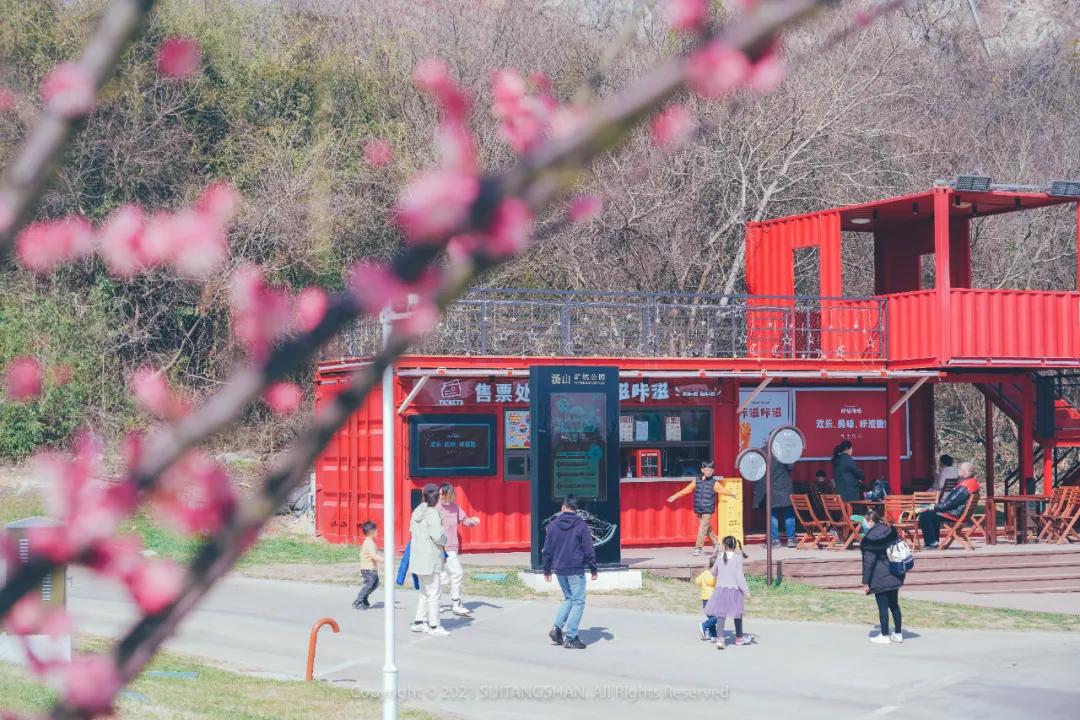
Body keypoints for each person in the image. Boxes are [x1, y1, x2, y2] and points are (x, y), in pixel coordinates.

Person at [542, 495, 598, 650]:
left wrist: (546, 569)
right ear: (576, 509)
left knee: (568, 598)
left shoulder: (552, 526)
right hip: (575, 569)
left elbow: (547, 551)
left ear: (563, 507)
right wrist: (593, 568)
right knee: (578, 601)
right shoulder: (581, 525)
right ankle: (571, 637)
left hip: (560, 569)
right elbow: (588, 549)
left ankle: (557, 628)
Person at [667, 460, 739, 556]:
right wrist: (675, 496)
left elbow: (723, 490)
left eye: (711, 470)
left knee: (702, 528)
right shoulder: (696, 481)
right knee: (707, 528)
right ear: (702, 470)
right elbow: (686, 490)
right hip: (699, 508)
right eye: (707, 470)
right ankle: (717, 545)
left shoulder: (714, 483)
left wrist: (732, 494)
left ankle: (698, 548)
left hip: (708, 509)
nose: (709, 472)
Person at [409, 483, 449, 636]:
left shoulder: (417, 511)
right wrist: (445, 540)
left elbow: (412, 531)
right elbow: (437, 536)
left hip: (418, 558)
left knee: (425, 592)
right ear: (437, 497)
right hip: (430, 558)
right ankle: (434, 626)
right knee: (434, 593)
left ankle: (419, 622)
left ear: (424, 496)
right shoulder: (433, 513)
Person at [859, 511, 904, 644]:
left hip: (880, 576)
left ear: (870, 521)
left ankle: (884, 635)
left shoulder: (870, 538)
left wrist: (865, 581)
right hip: (895, 572)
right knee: (894, 605)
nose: (863, 524)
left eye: (864, 521)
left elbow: (869, 562)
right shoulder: (889, 529)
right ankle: (898, 633)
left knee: (883, 607)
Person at [437, 484, 480, 617]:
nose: (443, 498)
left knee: (451, 575)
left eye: (446, 495)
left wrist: (472, 521)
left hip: (451, 548)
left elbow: (464, 520)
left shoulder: (455, 508)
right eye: (441, 495)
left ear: (452, 495)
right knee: (449, 575)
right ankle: (446, 604)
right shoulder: (435, 508)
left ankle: (453, 603)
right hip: (439, 548)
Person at [703, 535, 752, 649]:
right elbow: (739, 576)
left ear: (724, 546)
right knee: (737, 614)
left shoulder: (720, 556)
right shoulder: (738, 558)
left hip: (721, 589)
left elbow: (713, 572)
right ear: (734, 546)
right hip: (734, 590)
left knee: (721, 615)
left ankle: (720, 639)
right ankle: (739, 638)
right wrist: (746, 591)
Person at [917, 465, 979, 549]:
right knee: (932, 514)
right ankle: (934, 542)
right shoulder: (972, 483)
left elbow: (949, 504)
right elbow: (952, 502)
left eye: (960, 469)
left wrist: (932, 507)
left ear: (965, 472)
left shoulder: (964, 486)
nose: (959, 471)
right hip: (959, 513)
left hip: (954, 513)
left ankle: (931, 543)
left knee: (925, 514)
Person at [753, 455, 796, 548]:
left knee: (772, 514)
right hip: (784, 487)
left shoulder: (761, 452)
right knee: (789, 513)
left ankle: (775, 540)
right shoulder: (782, 453)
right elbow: (791, 466)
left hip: (770, 487)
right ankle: (791, 539)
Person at [353, 520, 381, 610]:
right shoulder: (369, 543)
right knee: (369, 585)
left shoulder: (369, 542)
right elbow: (373, 555)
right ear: (371, 531)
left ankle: (364, 597)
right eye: (376, 530)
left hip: (371, 568)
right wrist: (385, 560)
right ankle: (358, 601)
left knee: (375, 584)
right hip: (368, 569)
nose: (377, 532)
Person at [693, 554, 718, 641]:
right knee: (717, 617)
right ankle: (704, 625)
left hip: (705, 600)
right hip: (712, 599)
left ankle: (713, 634)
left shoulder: (705, 574)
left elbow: (697, 581)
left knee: (712, 617)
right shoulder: (715, 576)